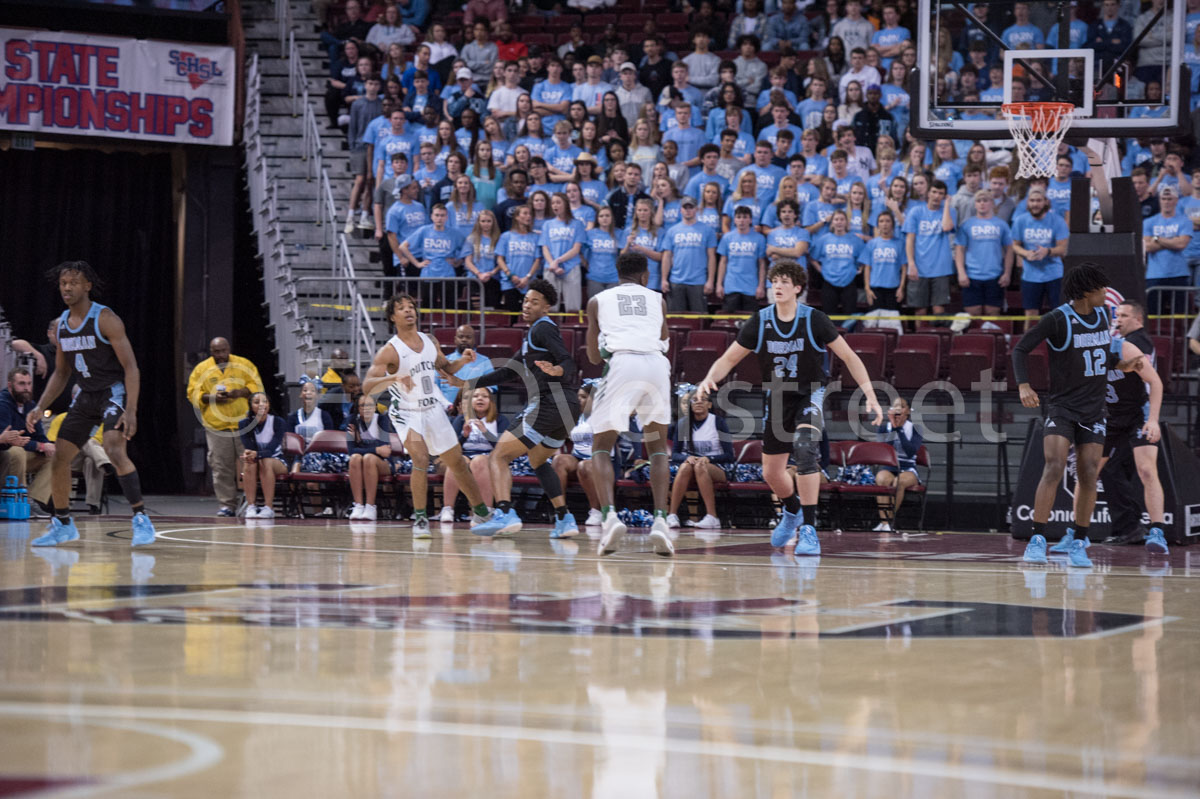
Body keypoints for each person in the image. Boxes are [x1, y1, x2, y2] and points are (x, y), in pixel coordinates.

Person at [698, 260, 883, 556]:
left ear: (797, 288)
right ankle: (792, 510)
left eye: (784, 282)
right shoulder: (760, 320)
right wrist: (709, 376)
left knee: (806, 448)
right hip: (777, 395)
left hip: (810, 392)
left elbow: (850, 357)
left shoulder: (815, 319)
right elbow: (729, 359)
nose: (778, 287)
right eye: (774, 282)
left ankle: (809, 528)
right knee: (771, 472)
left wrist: (870, 394)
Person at [1012, 264, 1152, 567]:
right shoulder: (1058, 319)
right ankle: (1037, 539)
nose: (1106, 294)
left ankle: (1078, 541)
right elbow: (1020, 349)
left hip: (1094, 408)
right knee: (1054, 465)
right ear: (1088, 291)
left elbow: (1101, 357)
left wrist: (1121, 365)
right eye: (1102, 288)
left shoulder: (1102, 316)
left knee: (1089, 473)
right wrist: (1024, 384)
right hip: (1063, 406)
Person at [27, 262, 156, 547]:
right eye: (63, 283)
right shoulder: (61, 325)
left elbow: (131, 367)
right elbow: (61, 373)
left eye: (73, 282)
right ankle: (62, 523)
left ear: (87, 286)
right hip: (85, 396)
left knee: (113, 448)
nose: (67, 288)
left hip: (112, 392)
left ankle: (141, 518)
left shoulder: (106, 319)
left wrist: (132, 409)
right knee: (60, 457)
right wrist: (40, 405)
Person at [458, 280, 581, 539]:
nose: (527, 305)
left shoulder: (543, 329)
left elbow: (567, 358)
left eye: (534, 302)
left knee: (499, 457)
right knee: (537, 459)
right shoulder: (531, 338)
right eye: (526, 300)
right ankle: (564, 518)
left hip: (550, 401)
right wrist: (468, 382)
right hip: (567, 408)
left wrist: (560, 369)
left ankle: (504, 513)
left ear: (546, 307)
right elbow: (506, 372)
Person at [363, 293, 492, 537]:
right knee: (420, 459)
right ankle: (421, 520)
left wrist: (463, 361)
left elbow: (445, 367)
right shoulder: (389, 351)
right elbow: (367, 386)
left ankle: (481, 512)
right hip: (406, 412)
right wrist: (394, 377)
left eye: (411, 306)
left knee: (457, 462)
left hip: (432, 407)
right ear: (393, 316)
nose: (409, 311)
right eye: (402, 308)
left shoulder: (429, 340)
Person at [584, 253, 675, 557]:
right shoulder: (658, 299)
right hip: (656, 365)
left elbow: (595, 358)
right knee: (658, 446)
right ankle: (661, 521)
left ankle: (609, 518)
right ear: (646, 276)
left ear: (617, 273)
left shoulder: (597, 301)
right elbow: (663, 338)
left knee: (600, 445)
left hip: (622, 362)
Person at [1098, 302, 1168, 552]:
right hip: (1112, 417)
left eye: (1124, 315)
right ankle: (1079, 533)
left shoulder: (1135, 342)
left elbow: (1153, 382)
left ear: (1138, 319)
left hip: (1140, 413)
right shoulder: (1097, 347)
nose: (1118, 320)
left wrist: (1153, 419)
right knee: (1099, 471)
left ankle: (1155, 530)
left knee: (1146, 470)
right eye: (1116, 316)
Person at [186, 337, 263, 516]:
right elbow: (193, 393)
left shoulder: (244, 364)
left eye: (223, 350)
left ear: (229, 348)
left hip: (243, 424)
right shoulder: (202, 369)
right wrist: (211, 397)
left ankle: (251, 502)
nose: (220, 355)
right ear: (211, 351)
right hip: (217, 426)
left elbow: (256, 386)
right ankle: (227, 505)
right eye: (216, 351)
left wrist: (240, 392)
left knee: (250, 463)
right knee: (221, 466)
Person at [666, 388, 734, 530]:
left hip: (718, 468)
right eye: (694, 400)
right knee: (686, 466)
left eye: (703, 399)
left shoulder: (719, 422)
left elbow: (729, 455)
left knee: (700, 466)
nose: (698, 402)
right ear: (690, 405)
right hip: (691, 468)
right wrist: (687, 458)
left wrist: (709, 459)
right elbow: (675, 454)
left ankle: (712, 517)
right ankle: (672, 515)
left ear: (709, 405)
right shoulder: (682, 424)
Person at [439, 387, 508, 522]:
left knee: (480, 461)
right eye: (476, 396)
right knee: (457, 461)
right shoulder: (461, 419)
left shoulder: (500, 420)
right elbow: (452, 448)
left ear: (491, 401)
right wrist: (464, 435)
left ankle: (485, 510)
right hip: (465, 454)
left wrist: (485, 432)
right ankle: (448, 508)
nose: (480, 399)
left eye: (484, 396)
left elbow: (503, 448)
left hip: (490, 456)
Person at [1011, 187, 1070, 328]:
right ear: (1027, 203)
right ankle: (1030, 347)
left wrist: (1047, 252)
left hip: (1054, 274)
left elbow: (1064, 248)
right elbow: (1015, 245)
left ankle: (1060, 344)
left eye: (1038, 200)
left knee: (1059, 312)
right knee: (1030, 314)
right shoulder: (1020, 221)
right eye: (1032, 201)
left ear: (1046, 202)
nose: (1035, 204)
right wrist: (1026, 254)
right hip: (1030, 275)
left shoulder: (1057, 221)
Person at [0, 367, 54, 513]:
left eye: (29, 384)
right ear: (10, 385)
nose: (26, 388)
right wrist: (39, 445)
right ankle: (19, 498)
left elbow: (39, 435)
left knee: (54, 457)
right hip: (5, 455)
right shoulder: (3, 403)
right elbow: (10, 440)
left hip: (23, 454)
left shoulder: (31, 405)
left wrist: (47, 445)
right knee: (17, 451)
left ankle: (33, 500)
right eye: (22, 384)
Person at [954, 190, 1014, 317]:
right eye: (979, 201)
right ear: (975, 204)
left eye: (985, 200)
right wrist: (961, 273)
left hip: (995, 276)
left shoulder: (1001, 224)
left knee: (992, 313)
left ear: (992, 203)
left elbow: (1009, 250)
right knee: (973, 314)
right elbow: (959, 250)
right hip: (971, 277)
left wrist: (1007, 273)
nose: (982, 204)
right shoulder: (966, 225)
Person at [551, 383, 604, 527]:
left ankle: (596, 511)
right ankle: (561, 511)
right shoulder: (575, 418)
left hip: (602, 462)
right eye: (578, 397)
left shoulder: (604, 417)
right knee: (559, 460)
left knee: (584, 466)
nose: (579, 400)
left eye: (583, 397)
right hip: (579, 458)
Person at [903, 179, 956, 317]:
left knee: (939, 309)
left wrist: (947, 204)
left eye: (941, 193)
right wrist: (911, 264)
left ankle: (937, 337)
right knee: (920, 310)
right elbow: (910, 239)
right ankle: (921, 338)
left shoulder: (950, 212)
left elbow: (946, 227)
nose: (937, 196)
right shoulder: (916, 211)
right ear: (928, 193)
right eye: (934, 192)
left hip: (941, 268)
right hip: (919, 267)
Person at [871, 397, 922, 532]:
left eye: (902, 406)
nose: (898, 409)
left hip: (908, 467)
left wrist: (899, 430)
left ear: (908, 412)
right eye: (895, 406)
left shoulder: (915, 428)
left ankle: (888, 520)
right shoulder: (883, 428)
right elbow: (884, 452)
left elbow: (911, 452)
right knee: (881, 479)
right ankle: (885, 524)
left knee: (898, 482)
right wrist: (893, 428)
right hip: (889, 466)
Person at [344, 392, 397, 521]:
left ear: (374, 407)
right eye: (362, 405)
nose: (366, 408)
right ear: (358, 408)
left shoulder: (382, 419)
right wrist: (376, 448)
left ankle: (370, 506)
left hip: (384, 464)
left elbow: (386, 451)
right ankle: (358, 505)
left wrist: (361, 445)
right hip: (362, 461)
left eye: (369, 405)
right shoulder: (352, 421)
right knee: (355, 458)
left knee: (368, 458)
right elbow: (351, 451)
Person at [661, 195, 719, 312]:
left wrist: (710, 280)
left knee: (700, 318)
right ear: (680, 209)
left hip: (698, 281)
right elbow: (667, 256)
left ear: (696, 209)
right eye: (685, 207)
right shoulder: (672, 231)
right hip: (676, 280)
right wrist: (664, 279)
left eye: (690, 207)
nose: (688, 210)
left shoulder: (707, 230)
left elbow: (711, 257)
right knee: (676, 319)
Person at [239, 392, 287, 521]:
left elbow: (272, 448)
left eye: (264, 401)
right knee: (249, 462)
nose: (261, 405)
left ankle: (268, 507)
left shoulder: (278, 422)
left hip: (278, 461)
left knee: (265, 461)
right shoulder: (244, 424)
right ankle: (251, 506)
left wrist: (257, 454)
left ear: (269, 405)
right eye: (256, 402)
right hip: (256, 460)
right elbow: (248, 446)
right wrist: (249, 454)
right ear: (250, 406)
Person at [717, 205, 768, 311]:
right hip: (731, 286)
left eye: (745, 217)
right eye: (739, 217)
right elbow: (723, 262)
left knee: (750, 324)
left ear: (750, 220)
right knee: (728, 322)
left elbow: (762, 264)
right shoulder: (727, 238)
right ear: (734, 220)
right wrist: (719, 284)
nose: (742, 220)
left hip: (751, 287)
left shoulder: (759, 238)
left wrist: (761, 286)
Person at [860, 209, 907, 311]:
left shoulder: (900, 244)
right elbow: (867, 268)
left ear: (892, 224)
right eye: (881, 221)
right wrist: (867, 289)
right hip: (875, 289)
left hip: (893, 289)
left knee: (892, 323)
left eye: (887, 221)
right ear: (877, 225)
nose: (884, 224)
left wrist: (901, 288)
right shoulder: (872, 244)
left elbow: (904, 268)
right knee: (875, 323)